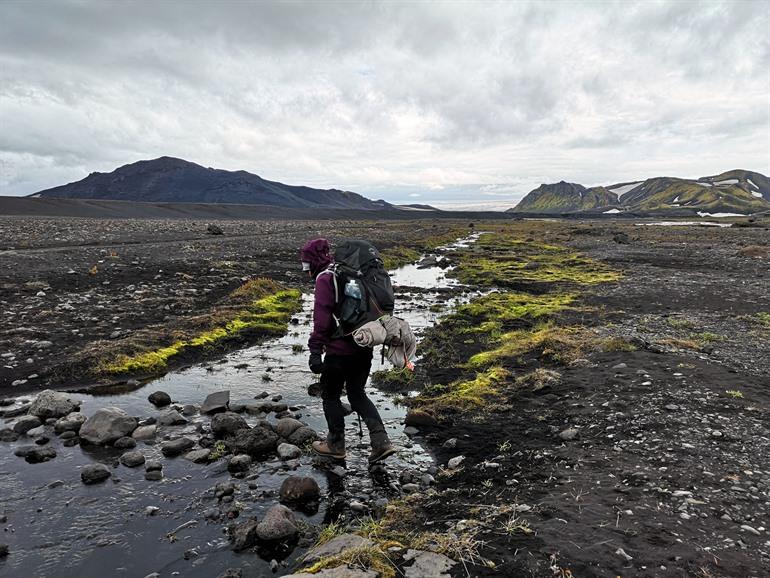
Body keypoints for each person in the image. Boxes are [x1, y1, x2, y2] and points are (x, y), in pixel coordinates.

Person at [300, 238, 396, 464]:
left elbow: (321, 320)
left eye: (306, 264)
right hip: (363, 346)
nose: (305, 270)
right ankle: (381, 442)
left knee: (331, 395)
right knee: (357, 393)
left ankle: (335, 445)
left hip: (339, 351)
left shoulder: (326, 278)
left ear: (314, 260)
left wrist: (315, 351)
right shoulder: (352, 275)